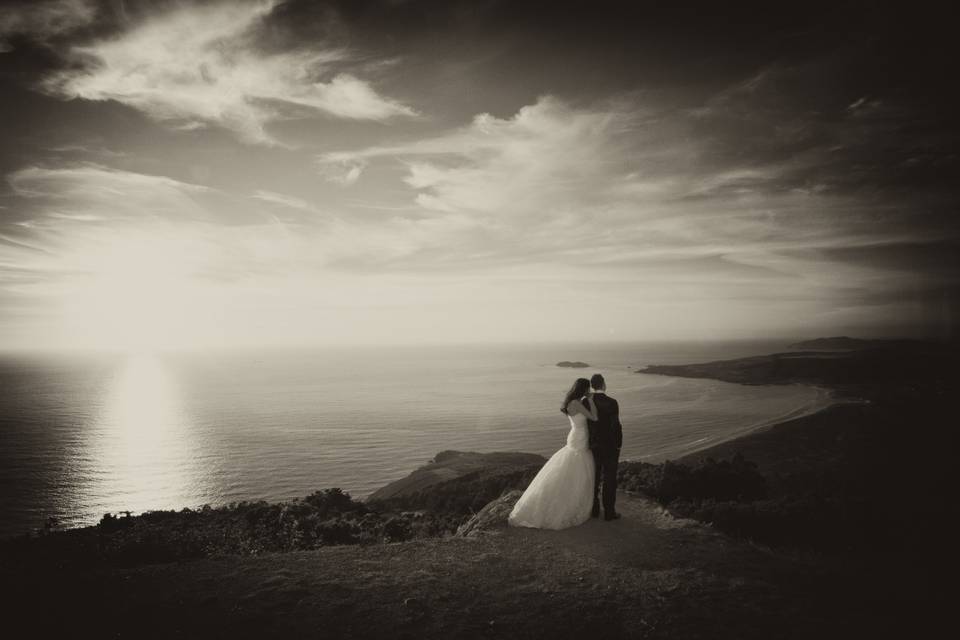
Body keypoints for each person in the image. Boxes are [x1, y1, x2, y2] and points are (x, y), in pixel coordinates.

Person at [508, 378, 598, 530]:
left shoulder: (570, 402)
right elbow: (594, 417)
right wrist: (592, 401)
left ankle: (569, 498)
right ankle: (571, 502)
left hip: (575, 435)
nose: (588, 391)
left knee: (572, 468)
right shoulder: (577, 403)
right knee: (579, 469)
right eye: (587, 388)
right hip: (580, 437)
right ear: (583, 389)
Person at [586, 373, 622, 520]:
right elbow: (615, 425)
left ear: (592, 385)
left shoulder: (586, 401)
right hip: (609, 446)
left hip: (593, 445)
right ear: (603, 384)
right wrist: (618, 444)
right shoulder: (612, 402)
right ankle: (609, 512)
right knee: (609, 479)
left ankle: (594, 510)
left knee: (593, 478)